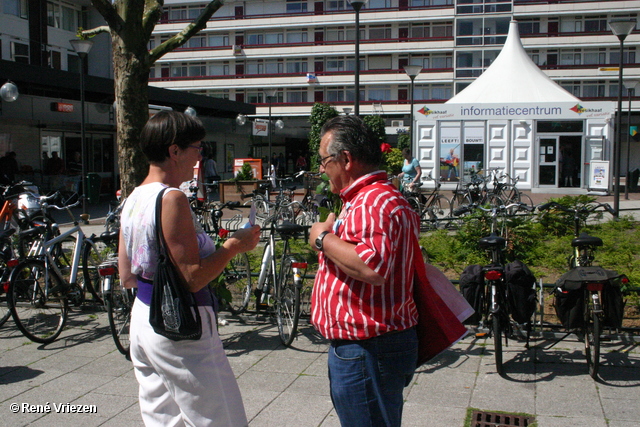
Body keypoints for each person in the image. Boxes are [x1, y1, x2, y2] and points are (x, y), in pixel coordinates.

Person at [118, 111, 261, 426]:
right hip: (180, 325)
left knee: (163, 418)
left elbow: (126, 275)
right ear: (174, 151)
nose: (200, 156)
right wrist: (232, 246)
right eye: (198, 147)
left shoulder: (134, 196)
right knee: (221, 418)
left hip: (143, 320)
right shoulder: (172, 199)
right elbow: (193, 278)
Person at [309, 116, 421, 427]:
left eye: (323, 160)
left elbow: (371, 266)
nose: (321, 169)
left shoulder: (372, 201)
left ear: (345, 160)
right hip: (371, 345)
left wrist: (321, 238)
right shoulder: (376, 197)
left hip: (367, 348)